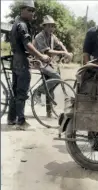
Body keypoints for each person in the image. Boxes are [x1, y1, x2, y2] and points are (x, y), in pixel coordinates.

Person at [8, 0, 50, 129]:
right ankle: (20, 121)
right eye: (30, 10)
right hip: (20, 61)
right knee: (21, 91)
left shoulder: (17, 23)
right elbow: (27, 45)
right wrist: (41, 56)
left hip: (16, 59)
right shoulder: (22, 25)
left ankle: (11, 119)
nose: (33, 13)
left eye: (33, 11)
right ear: (23, 10)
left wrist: (32, 58)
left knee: (15, 90)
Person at [33, 16, 72, 118]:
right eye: (49, 26)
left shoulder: (52, 36)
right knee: (57, 77)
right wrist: (63, 52)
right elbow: (47, 51)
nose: (51, 28)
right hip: (38, 61)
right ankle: (37, 92)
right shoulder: (39, 37)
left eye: (53, 26)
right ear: (44, 26)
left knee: (50, 87)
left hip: (48, 63)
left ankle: (49, 113)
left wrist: (67, 52)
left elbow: (60, 44)